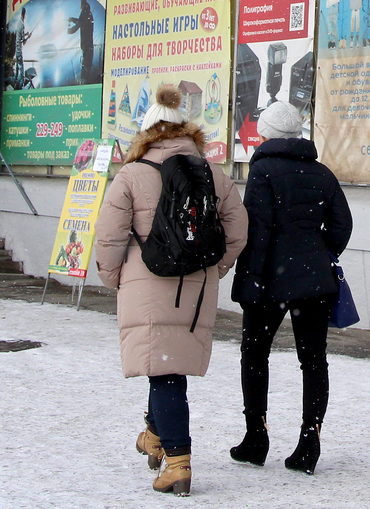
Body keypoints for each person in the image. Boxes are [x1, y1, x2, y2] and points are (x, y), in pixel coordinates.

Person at [94, 85, 249, 496]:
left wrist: (113, 278)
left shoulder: (131, 174)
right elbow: (238, 227)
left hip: (147, 282)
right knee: (165, 362)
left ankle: (177, 462)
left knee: (163, 370)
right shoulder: (213, 174)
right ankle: (154, 435)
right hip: (196, 286)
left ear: (147, 133)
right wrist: (216, 267)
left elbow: (109, 236)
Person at [229, 101, 353, 475]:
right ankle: (309, 440)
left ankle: (256, 436)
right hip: (315, 281)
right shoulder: (322, 173)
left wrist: (249, 281)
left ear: (266, 134)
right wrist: (316, 251)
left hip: (270, 280)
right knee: (313, 360)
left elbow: (257, 232)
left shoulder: (262, 171)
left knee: (255, 354)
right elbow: (341, 225)